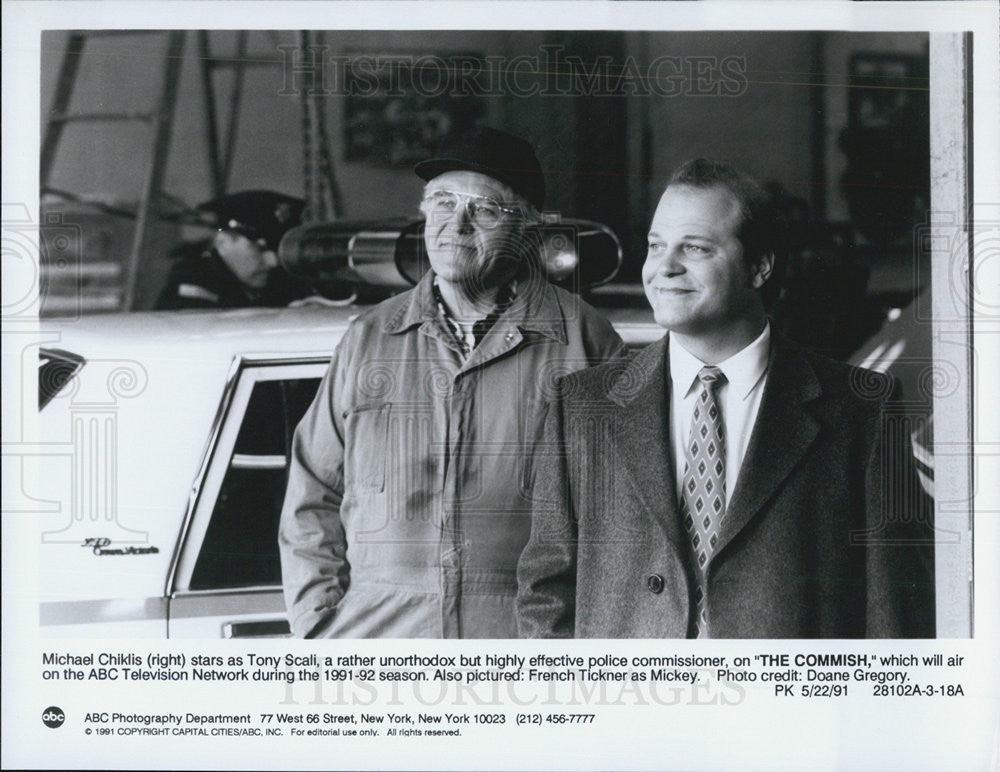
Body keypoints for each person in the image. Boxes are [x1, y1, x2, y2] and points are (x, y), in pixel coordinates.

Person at [517, 158, 935, 639]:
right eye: (656, 246)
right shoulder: (581, 407)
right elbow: (546, 597)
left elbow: (895, 616)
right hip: (629, 708)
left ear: (758, 267)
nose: (665, 267)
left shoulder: (862, 409)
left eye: (694, 248)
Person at [278, 127, 625, 638]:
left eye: (483, 210)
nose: (455, 225)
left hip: (522, 641)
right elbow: (313, 491)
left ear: (527, 229)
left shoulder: (582, 338)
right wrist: (319, 625)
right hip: (375, 647)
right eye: (442, 202)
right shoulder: (371, 337)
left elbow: (623, 509)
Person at [156, 190, 306, 309]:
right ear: (223, 243)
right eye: (259, 248)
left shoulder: (278, 284)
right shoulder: (192, 296)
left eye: (278, 251)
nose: (272, 261)